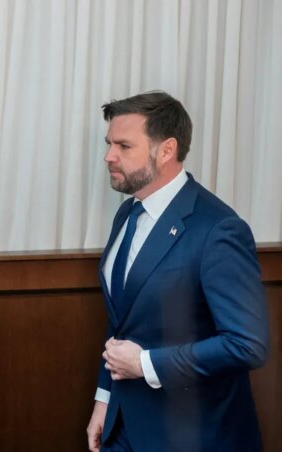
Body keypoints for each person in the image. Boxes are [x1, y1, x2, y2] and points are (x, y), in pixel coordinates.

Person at [85, 91, 268, 451]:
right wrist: (104, 399)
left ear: (166, 150)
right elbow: (124, 318)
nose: (109, 156)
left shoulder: (219, 229)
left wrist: (145, 364)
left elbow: (247, 345)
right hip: (122, 425)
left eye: (124, 146)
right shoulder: (128, 213)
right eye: (109, 144)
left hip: (191, 434)